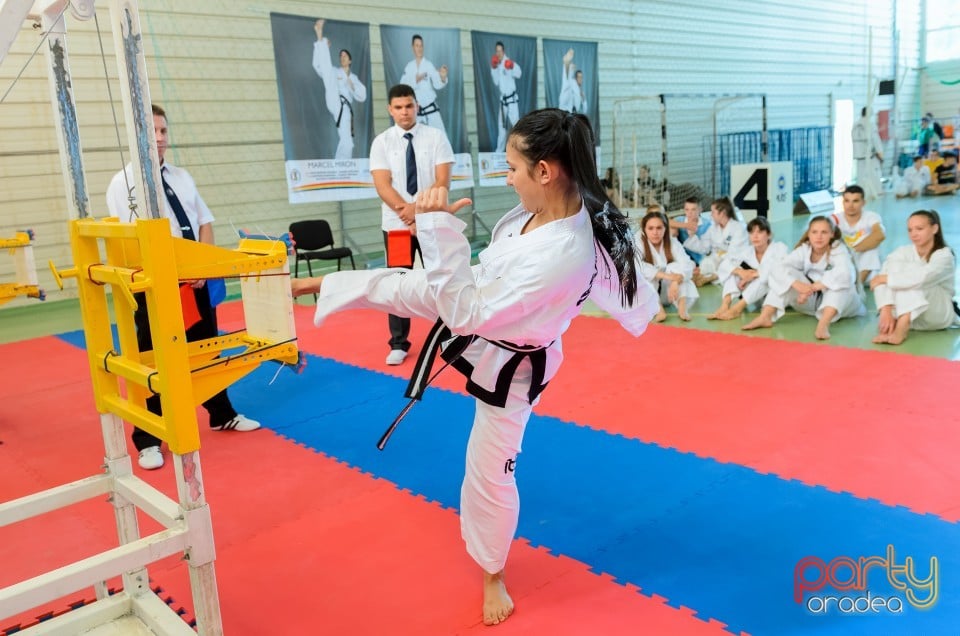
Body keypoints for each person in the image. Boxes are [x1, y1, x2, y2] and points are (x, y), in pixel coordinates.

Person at [290, 109, 659, 626]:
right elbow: (463, 288)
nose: (507, 178)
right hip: (487, 306)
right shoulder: (538, 215)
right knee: (408, 285)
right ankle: (315, 287)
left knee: (488, 472)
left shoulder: (564, 254)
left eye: (512, 168)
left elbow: (464, 311)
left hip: (516, 365)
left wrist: (438, 228)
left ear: (546, 171)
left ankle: (493, 572)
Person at [105, 104, 260, 471]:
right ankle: (147, 439)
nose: (159, 139)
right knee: (153, 358)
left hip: (196, 279)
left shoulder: (182, 176)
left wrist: (202, 264)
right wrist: (169, 272)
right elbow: (131, 240)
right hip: (155, 284)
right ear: (137, 137)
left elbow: (204, 221)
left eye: (163, 131)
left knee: (206, 348)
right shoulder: (123, 183)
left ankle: (221, 413)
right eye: (152, 132)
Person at [369, 84, 454, 366]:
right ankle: (398, 342)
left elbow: (442, 181)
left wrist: (418, 210)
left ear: (416, 105)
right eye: (398, 107)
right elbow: (382, 184)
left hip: (432, 221)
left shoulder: (435, 137)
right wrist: (407, 213)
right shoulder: (382, 142)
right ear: (390, 110)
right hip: (396, 225)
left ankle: (450, 335)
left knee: (440, 278)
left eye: (409, 106)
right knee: (398, 282)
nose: (404, 112)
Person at [742, 215, 865, 340]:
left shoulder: (838, 249)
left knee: (842, 285)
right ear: (809, 234)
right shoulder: (805, 249)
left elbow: (846, 274)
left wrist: (813, 287)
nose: (819, 236)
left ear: (832, 234)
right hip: (810, 302)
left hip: (842, 305)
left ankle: (823, 324)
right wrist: (796, 285)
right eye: (814, 232)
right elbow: (777, 268)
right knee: (784, 271)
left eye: (824, 232)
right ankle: (765, 317)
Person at [870, 210, 958, 345]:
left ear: (935, 228)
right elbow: (880, 280)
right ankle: (892, 324)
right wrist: (885, 309)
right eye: (910, 230)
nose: (914, 234)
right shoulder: (902, 251)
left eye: (919, 229)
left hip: (936, 314)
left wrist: (886, 279)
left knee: (914, 278)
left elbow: (921, 278)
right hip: (911, 319)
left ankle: (901, 327)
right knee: (895, 270)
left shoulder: (944, 256)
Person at [709, 216, 788, 320]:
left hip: (775, 295)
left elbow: (777, 269)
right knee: (733, 271)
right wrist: (741, 272)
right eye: (752, 232)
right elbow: (725, 264)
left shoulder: (779, 247)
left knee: (766, 277)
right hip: (755, 296)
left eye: (759, 232)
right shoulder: (747, 251)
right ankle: (725, 305)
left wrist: (752, 275)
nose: (755, 236)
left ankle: (737, 308)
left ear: (769, 234)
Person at [312, 19, 368, 159]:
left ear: (350, 60)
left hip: (345, 108)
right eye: (340, 56)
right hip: (334, 98)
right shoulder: (335, 72)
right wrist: (322, 48)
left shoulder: (353, 78)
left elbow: (362, 96)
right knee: (327, 71)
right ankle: (320, 37)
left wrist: (352, 85)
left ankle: (341, 166)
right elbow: (318, 67)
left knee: (347, 142)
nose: (342, 57)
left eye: (345, 55)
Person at [634, 209, 697, 321]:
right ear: (644, 229)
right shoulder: (638, 242)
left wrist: (676, 280)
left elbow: (687, 263)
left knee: (675, 266)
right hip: (648, 295)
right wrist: (668, 276)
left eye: (659, 228)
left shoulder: (672, 242)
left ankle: (682, 308)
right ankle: (659, 310)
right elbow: (636, 266)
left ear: (665, 229)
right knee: (642, 278)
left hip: (671, 293)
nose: (655, 232)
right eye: (651, 228)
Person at [683, 196, 748, 286]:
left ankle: (713, 276)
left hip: (734, 260)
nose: (711, 215)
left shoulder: (738, 228)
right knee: (706, 263)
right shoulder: (713, 228)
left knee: (730, 270)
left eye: (713, 212)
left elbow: (735, 255)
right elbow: (704, 248)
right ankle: (708, 275)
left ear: (722, 213)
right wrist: (692, 235)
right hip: (717, 259)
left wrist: (718, 262)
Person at [832, 185, 885, 284]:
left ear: (863, 203)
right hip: (845, 264)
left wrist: (853, 251)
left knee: (872, 244)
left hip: (869, 270)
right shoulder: (836, 218)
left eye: (855, 201)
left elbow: (880, 235)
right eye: (847, 201)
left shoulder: (871, 217)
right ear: (843, 202)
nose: (850, 205)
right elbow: (815, 229)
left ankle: (857, 286)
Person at [399, 34, 449, 135]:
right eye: (417, 46)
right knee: (416, 140)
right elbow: (402, 86)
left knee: (441, 137)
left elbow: (437, 83)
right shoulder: (409, 67)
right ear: (413, 47)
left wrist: (443, 77)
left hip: (430, 108)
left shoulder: (428, 65)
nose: (419, 48)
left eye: (421, 46)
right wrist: (415, 79)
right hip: (416, 112)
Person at [491, 41, 522, 153]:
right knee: (501, 129)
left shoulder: (508, 62)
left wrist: (512, 66)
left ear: (503, 51)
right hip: (503, 102)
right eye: (497, 51)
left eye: (500, 51)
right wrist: (494, 68)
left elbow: (519, 74)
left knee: (517, 126)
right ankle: (499, 152)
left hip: (512, 100)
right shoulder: (497, 65)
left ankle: (522, 150)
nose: (498, 53)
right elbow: (495, 82)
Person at [852, 107, 884, 201]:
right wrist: (880, 153)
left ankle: (859, 193)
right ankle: (878, 190)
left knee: (860, 175)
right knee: (875, 171)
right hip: (868, 154)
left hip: (858, 154)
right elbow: (875, 139)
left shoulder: (855, 124)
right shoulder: (870, 124)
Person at [669, 196, 711, 264]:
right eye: (687, 209)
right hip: (681, 258)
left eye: (693, 209)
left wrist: (692, 235)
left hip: (699, 259)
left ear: (700, 210)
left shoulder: (707, 224)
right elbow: (664, 221)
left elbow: (706, 249)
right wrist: (686, 225)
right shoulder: (680, 220)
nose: (689, 213)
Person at [557, 48, 586, 114]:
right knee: (567, 85)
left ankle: (567, 65)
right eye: (579, 77)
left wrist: (583, 99)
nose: (580, 79)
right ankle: (566, 64)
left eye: (581, 77)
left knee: (567, 85)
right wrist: (570, 68)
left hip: (572, 112)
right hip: (565, 106)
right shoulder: (573, 83)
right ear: (575, 78)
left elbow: (585, 110)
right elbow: (567, 83)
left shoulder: (580, 92)